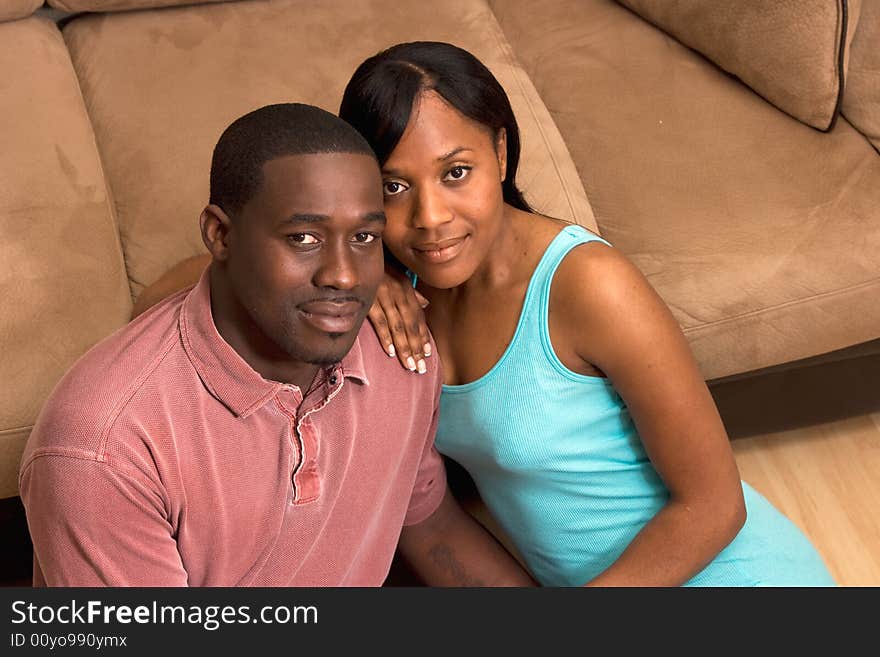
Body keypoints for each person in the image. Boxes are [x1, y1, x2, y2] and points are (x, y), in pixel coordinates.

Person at [133, 44, 837, 587]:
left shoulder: (588, 284)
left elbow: (716, 505)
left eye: (457, 172)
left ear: (502, 151)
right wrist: (363, 276)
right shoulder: (387, 289)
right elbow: (157, 301)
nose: (431, 217)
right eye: (394, 187)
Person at [18, 103, 535, 587]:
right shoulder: (100, 448)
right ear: (220, 235)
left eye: (363, 239)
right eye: (303, 239)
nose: (342, 276)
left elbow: (432, 527)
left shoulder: (399, 351)